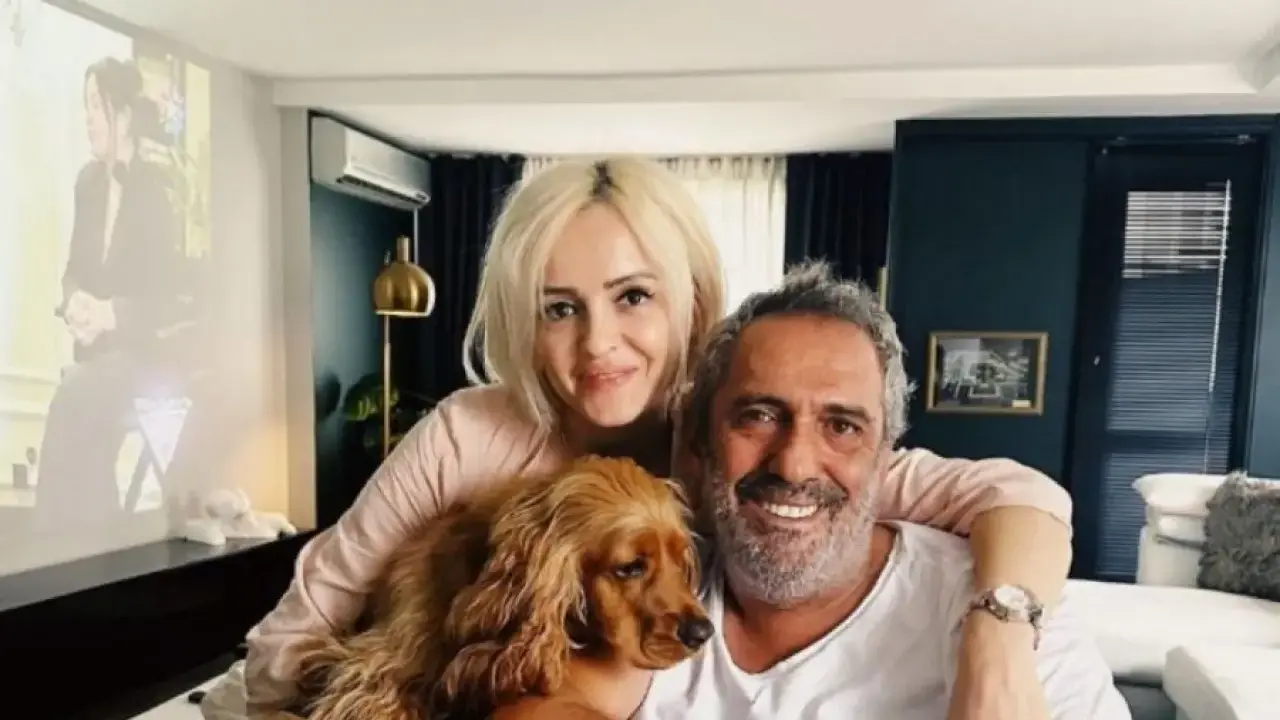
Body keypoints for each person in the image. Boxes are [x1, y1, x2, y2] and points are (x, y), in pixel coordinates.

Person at [228, 158, 1074, 719]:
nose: (598, 343)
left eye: (632, 296)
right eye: (560, 308)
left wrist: (998, 638)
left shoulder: (742, 444)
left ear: (691, 298)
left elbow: (1021, 496)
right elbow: (290, 643)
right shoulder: (468, 435)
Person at [500, 262, 1127, 720]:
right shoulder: (662, 586)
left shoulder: (1007, 620)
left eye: (842, 426)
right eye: (758, 416)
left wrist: (996, 640)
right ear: (699, 438)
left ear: (886, 455)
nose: (795, 463)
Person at [34, 57, 184, 528]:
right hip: (95, 354)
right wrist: (74, 303)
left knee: (71, 399)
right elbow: (73, 271)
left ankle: (52, 538)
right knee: (83, 415)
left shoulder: (158, 190)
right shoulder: (87, 182)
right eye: (87, 107)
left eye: (97, 107)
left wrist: (111, 314)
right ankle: (90, 535)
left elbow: (170, 300)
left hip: (144, 357)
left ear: (123, 116)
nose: (89, 119)